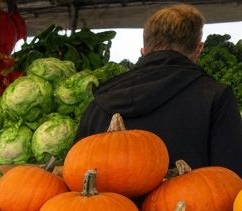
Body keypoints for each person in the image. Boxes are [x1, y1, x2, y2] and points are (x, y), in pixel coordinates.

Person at [73, 4, 242, 176]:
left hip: (107, 195)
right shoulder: (215, 97)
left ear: (144, 50)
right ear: (199, 49)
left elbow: (75, 174)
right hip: (193, 194)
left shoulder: (100, 102)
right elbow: (232, 176)